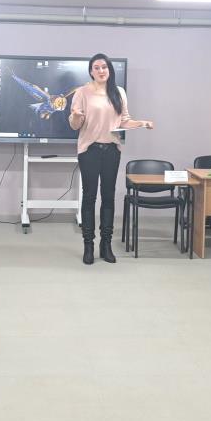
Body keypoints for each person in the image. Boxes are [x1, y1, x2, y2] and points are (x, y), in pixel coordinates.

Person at [68, 53, 154, 265]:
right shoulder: (82, 92)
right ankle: (88, 245)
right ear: (91, 71)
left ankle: (105, 245)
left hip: (112, 150)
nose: (101, 70)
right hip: (89, 150)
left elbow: (124, 121)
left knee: (108, 196)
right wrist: (76, 116)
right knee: (89, 197)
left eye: (104, 67)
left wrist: (141, 123)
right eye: (96, 67)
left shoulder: (119, 92)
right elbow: (75, 125)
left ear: (109, 70)